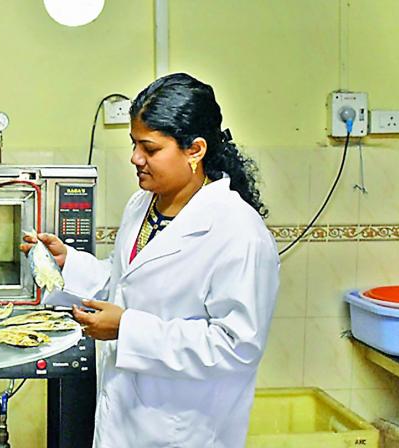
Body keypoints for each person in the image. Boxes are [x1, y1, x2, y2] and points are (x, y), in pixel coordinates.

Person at [23, 73, 280, 447]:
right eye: (133, 144)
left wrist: (127, 330)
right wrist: (69, 263)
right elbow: (126, 284)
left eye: (150, 148)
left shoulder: (238, 233)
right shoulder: (144, 204)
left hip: (184, 430)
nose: (135, 158)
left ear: (195, 150)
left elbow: (235, 346)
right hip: (123, 419)